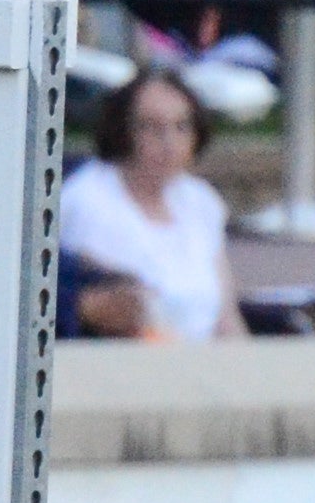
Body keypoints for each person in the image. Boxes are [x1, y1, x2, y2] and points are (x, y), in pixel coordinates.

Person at [55, 67, 232, 344]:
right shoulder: (85, 199)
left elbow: (227, 320)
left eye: (181, 126)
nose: (169, 143)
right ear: (124, 131)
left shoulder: (201, 201)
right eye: (152, 127)